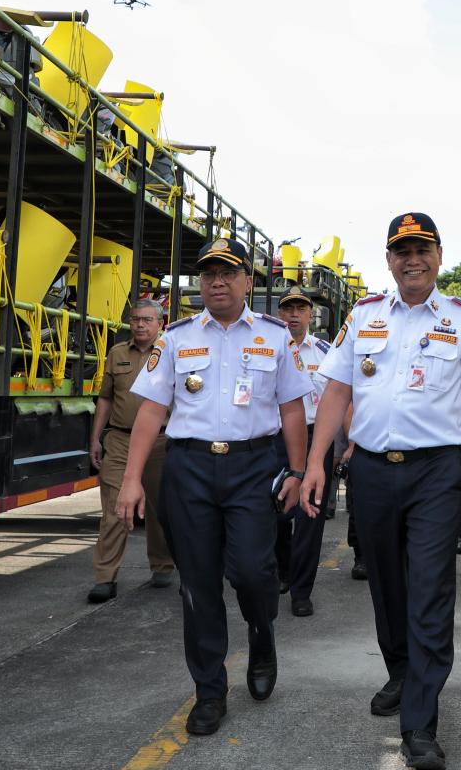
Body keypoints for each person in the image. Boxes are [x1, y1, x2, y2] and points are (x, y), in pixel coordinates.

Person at [299, 212, 461, 770]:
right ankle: (401, 671)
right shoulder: (363, 316)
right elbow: (336, 390)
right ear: (389, 261)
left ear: (439, 257)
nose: (413, 260)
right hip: (371, 471)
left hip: (437, 472)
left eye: (422, 250)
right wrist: (315, 463)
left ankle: (420, 724)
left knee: (430, 588)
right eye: (402, 251)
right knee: (385, 583)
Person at [114, 238, 311, 737]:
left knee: (252, 572)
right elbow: (152, 411)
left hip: (254, 467)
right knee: (198, 584)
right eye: (208, 274)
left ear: (248, 281)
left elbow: (292, 408)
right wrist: (132, 479)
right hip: (190, 469)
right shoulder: (176, 338)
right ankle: (209, 691)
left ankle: (262, 639)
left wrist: (297, 471)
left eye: (227, 273)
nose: (217, 282)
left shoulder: (274, 336)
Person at [86, 299, 175, 602]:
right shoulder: (117, 354)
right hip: (121, 439)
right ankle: (105, 577)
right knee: (114, 509)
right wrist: (95, 438)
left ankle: (162, 564)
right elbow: (106, 398)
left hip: (161, 441)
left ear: (160, 323)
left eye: (147, 320)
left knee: (160, 508)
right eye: (135, 319)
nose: (139, 325)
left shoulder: (172, 353)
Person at [274, 285, 333, 617]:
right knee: (276, 511)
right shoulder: (266, 348)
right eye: (288, 309)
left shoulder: (325, 352)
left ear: (311, 315)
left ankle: (301, 590)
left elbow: (340, 399)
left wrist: (349, 443)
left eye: (300, 309)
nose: (294, 315)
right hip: (275, 439)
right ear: (280, 314)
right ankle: (282, 572)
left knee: (310, 515)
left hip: (314, 439)